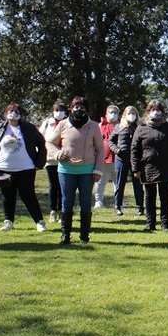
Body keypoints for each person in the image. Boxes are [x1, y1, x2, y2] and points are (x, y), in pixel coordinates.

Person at [46, 96, 104, 245]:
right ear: (71, 108)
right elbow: (50, 142)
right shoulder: (63, 124)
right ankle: (65, 236)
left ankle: (84, 237)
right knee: (67, 202)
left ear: (87, 109)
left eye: (82, 106)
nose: (79, 109)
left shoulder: (94, 126)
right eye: (76, 106)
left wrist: (98, 170)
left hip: (87, 172)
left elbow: (100, 149)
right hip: (66, 171)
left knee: (85, 203)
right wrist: (56, 153)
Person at [0, 102, 48, 232]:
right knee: (7, 196)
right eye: (10, 111)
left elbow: (41, 143)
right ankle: (8, 222)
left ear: (21, 115)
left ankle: (39, 222)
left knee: (28, 195)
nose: (13, 114)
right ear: (6, 114)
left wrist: (39, 163)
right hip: (2, 168)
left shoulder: (29, 128)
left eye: (17, 112)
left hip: (26, 169)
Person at [131, 100, 168, 232]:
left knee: (165, 197)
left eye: (159, 109)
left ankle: (165, 225)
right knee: (149, 197)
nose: (156, 112)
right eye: (153, 109)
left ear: (163, 112)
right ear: (148, 112)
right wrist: (135, 168)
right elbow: (134, 150)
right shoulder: (141, 128)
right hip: (147, 168)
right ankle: (150, 224)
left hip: (166, 167)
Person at [109, 106, 144, 217]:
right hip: (121, 159)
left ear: (137, 115)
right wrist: (117, 150)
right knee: (120, 183)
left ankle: (140, 207)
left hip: (136, 160)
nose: (132, 115)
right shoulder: (119, 127)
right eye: (129, 113)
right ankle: (118, 206)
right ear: (124, 114)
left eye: (134, 113)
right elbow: (111, 141)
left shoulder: (140, 127)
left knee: (138, 184)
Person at [39, 100, 68, 222]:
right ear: (53, 111)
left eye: (61, 110)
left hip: (65, 159)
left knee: (63, 186)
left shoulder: (68, 123)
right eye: (56, 110)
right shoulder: (47, 123)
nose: (59, 113)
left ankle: (62, 211)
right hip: (51, 159)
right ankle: (53, 211)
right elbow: (40, 137)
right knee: (53, 185)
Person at [94, 105, 119, 210]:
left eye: (115, 112)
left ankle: (118, 202)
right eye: (111, 112)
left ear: (118, 115)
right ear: (106, 114)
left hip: (117, 159)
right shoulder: (99, 126)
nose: (113, 114)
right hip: (102, 159)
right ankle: (98, 202)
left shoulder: (121, 126)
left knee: (117, 183)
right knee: (100, 182)